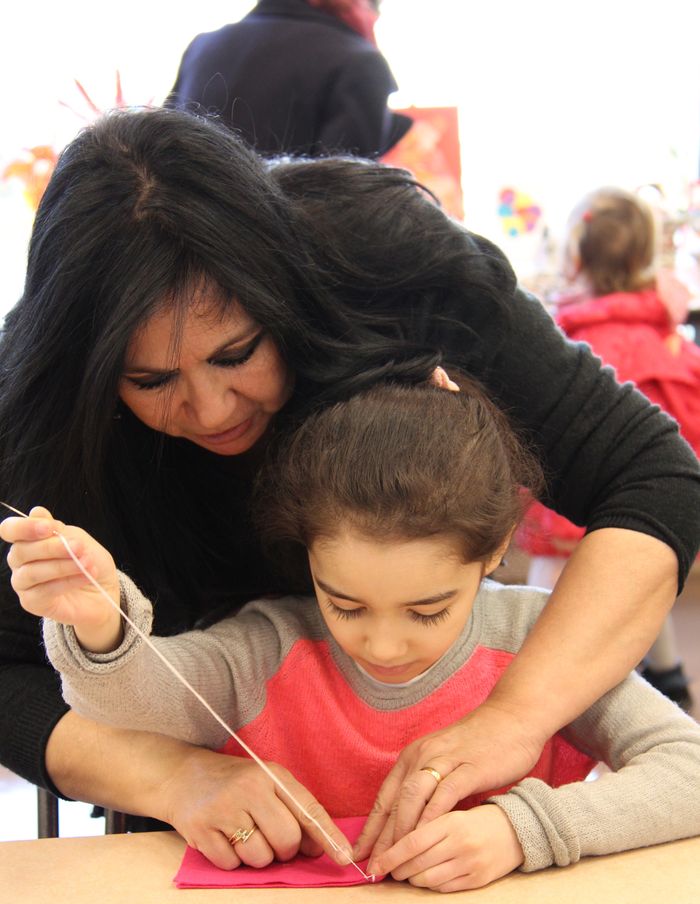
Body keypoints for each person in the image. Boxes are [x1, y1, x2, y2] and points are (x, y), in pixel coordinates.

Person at [0, 107, 698, 863]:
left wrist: (515, 718)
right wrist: (170, 774)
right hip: (215, 854)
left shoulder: (391, 266)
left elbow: (656, 482)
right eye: (150, 379)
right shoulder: (40, 413)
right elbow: (48, 677)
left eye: (237, 353)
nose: (210, 409)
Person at [3, 382, 699, 888]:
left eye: (427, 611)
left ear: (495, 550)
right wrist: (100, 623)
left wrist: (523, 831)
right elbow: (137, 701)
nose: (383, 647)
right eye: (345, 604)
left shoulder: (541, 640)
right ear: (307, 558)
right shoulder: (273, 645)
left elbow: (688, 772)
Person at [518, 186, 700, 711]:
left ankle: (544, 699)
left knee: (539, 609)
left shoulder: (562, 347)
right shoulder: (670, 345)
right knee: (645, 583)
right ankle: (668, 676)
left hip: (567, 516)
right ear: (647, 258)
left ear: (574, 257)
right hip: (651, 512)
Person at [166, 0, 412, 157]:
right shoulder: (359, 61)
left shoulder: (203, 46)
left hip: (178, 234)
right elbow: (345, 198)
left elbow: (155, 151)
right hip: (280, 237)